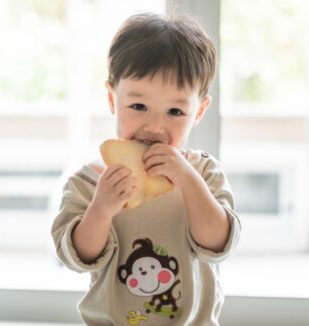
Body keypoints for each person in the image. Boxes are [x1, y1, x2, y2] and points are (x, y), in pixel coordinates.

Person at [51, 12, 241, 325]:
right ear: (113, 99)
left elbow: (217, 244)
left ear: (199, 111)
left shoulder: (204, 172)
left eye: (175, 111)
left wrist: (188, 181)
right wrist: (101, 209)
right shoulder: (88, 180)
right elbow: (78, 257)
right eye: (138, 106)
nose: (154, 126)